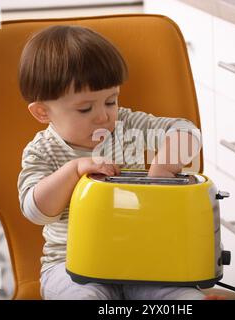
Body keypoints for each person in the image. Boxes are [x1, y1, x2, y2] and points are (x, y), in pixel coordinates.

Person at [17, 25, 222, 300]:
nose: (103, 116)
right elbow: (36, 211)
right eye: (85, 108)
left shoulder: (127, 126)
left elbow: (186, 132)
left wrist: (161, 171)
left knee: (182, 297)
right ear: (43, 111)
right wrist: (72, 171)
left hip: (144, 264)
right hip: (71, 269)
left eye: (111, 101)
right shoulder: (42, 151)